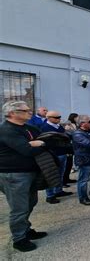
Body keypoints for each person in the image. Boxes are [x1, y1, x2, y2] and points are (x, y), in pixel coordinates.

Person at [0, 101, 47, 252]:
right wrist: (34, 145)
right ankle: (19, 239)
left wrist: (37, 144)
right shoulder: (7, 130)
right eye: (25, 110)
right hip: (14, 174)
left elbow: (46, 141)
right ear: (12, 113)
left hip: (30, 172)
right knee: (19, 208)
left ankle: (25, 229)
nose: (30, 112)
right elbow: (27, 150)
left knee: (30, 202)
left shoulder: (28, 127)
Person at [41, 111, 73, 204]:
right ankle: (50, 195)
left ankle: (58, 190)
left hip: (62, 152)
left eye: (59, 117)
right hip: (53, 154)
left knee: (60, 173)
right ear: (49, 118)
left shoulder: (59, 126)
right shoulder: (45, 128)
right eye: (56, 117)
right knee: (51, 175)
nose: (59, 119)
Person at [63, 113, 78, 185]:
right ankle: (64, 181)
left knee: (70, 163)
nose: (78, 119)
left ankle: (67, 178)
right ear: (73, 117)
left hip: (73, 145)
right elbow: (69, 133)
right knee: (67, 164)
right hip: (68, 145)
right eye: (76, 117)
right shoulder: (68, 124)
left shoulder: (76, 124)